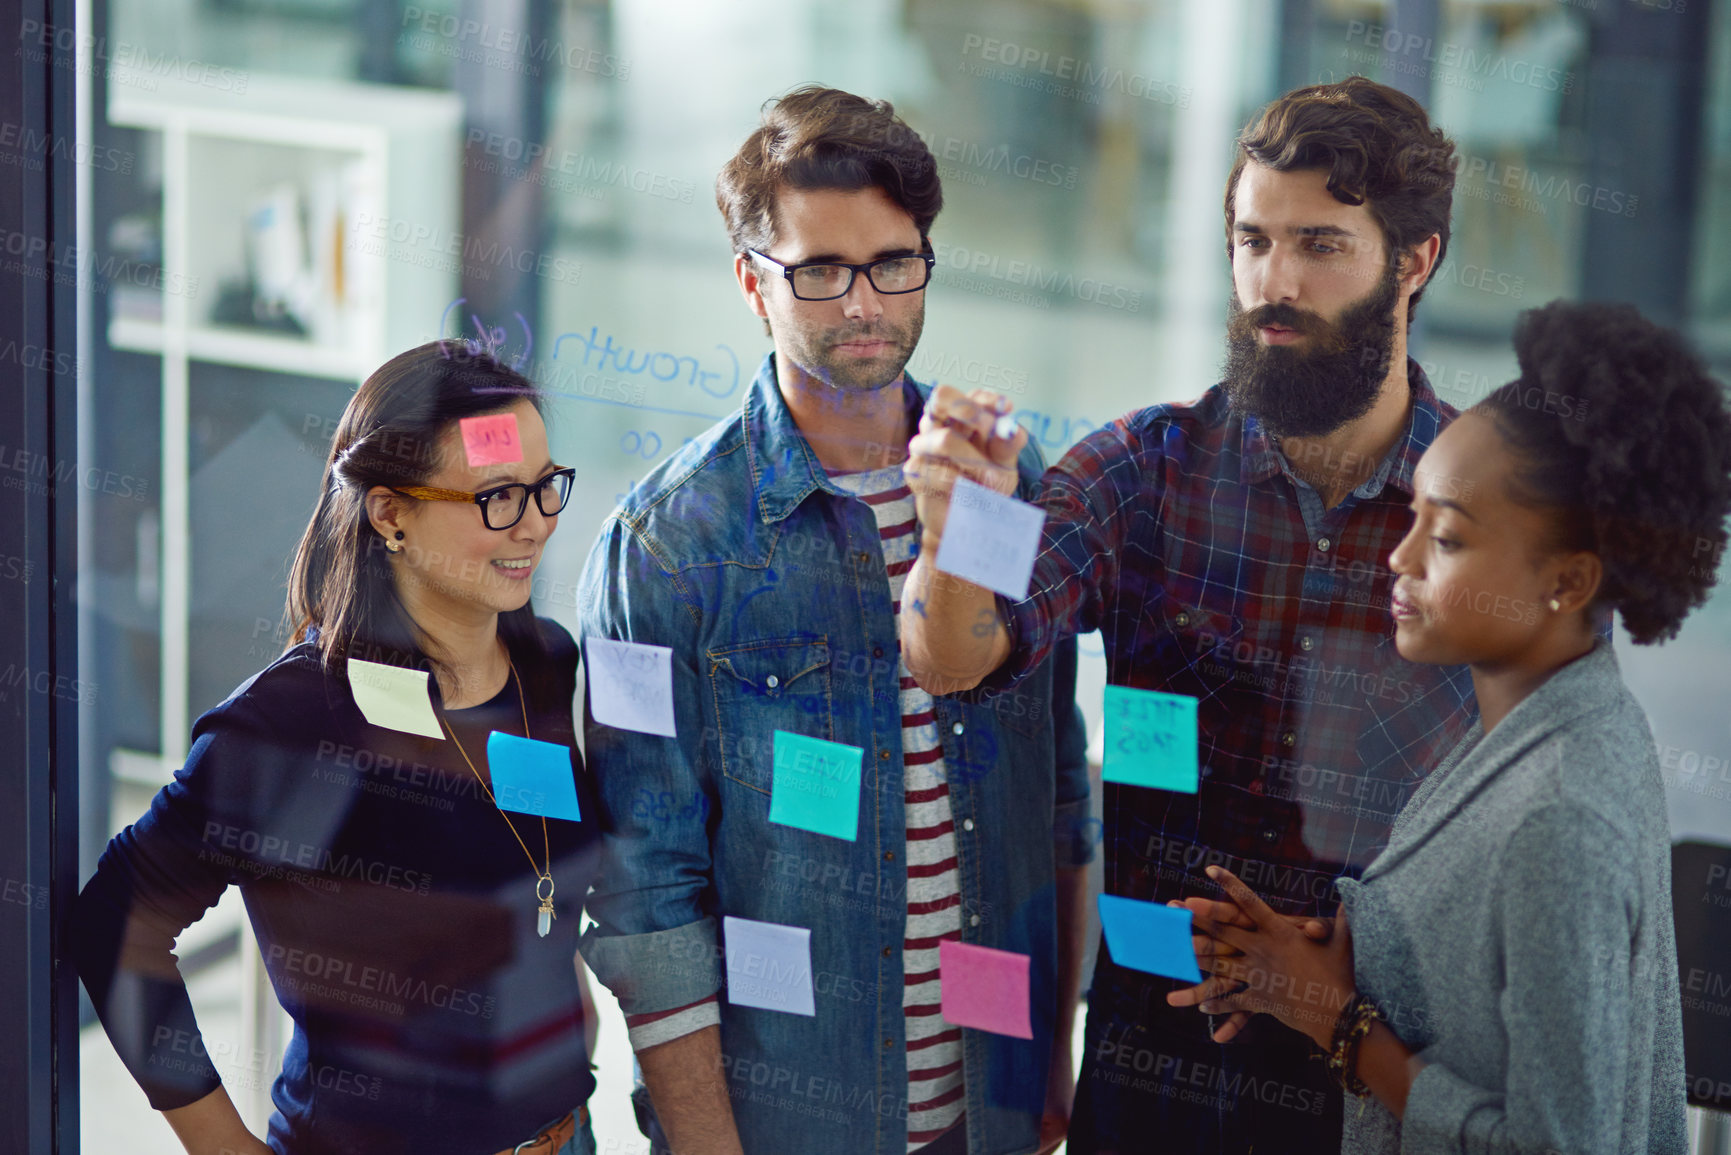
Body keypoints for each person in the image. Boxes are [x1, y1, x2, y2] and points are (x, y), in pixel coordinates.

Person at [900, 77, 1479, 1152]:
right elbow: (959, 657)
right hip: (1151, 1074)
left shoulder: (1483, 512)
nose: (1276, 283)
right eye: (1251, 241)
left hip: (1381, 1080)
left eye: (1320, 245)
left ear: (1415, 260)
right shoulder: (1143, 469)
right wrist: (955, 533)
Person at [575, 86, 1092, 1155]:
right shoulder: (669, 546)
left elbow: (1056, 792)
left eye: (894, 261)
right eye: (819, 271)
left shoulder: (1001, 480)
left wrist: (1048, 1067)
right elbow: (645, 895)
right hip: (787, 1122)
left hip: (981, 1112)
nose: (864, 302)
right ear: (752, 285)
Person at [1168, 299, 1727, 1153]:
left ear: (1567, 581)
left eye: (1450, 538)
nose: (1401, 557)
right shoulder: (1542, 718)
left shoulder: (1561, 812)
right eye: (1413, 516)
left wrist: (1339, 1023)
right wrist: (1316, 964)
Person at [73, 343, 602, 1155]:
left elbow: (534, 877)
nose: (534, 523)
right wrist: (223, 1145)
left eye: (543, 486)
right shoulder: (292, 723)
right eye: (495, 495)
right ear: (390, 514)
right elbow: (118, 922)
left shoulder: (544, 662)